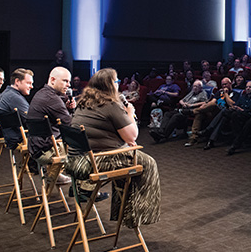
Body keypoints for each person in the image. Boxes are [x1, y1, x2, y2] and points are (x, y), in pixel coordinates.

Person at [69, 68, 161, 227]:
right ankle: (135, 216)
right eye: (116, 81)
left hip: (75, 160)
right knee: (146, 163)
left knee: (129, 157)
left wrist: (124, 141)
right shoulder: (111, 104)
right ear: (109, 85)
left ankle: (124, 213)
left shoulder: (83, 103)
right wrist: (130, 113)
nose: (118, 84)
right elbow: (133, 136)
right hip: (94, 162)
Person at [26, 66, 76, 186]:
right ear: (53, 80)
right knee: (85, 151)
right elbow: (71, 125)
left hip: (35, 148)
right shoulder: (52, 99)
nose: (68, 85)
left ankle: (56, 174)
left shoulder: (41, 94)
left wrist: (68, 110)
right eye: (65, 81)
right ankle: (84, 189)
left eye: (69, 82)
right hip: (47, 151)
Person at [184, 77, 235, 146]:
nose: (224, 86)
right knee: (199, 114)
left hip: (222, 112)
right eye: (222, 85)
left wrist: (226, 94)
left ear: (230, 83)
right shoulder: (219, 92)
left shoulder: (234, 93)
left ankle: (192, 111)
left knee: (212, 105)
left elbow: (231, 104)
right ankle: (193, 138)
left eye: (225, 84)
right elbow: (212, 101)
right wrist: (205, 106)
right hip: (212, 111)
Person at [0, 68, 34, 151]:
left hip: (12, 137)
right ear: (17, 81)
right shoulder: (14, 97)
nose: (32, 86)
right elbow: (31, 120)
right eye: (28, 83)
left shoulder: (7, 94)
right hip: (20, 138)